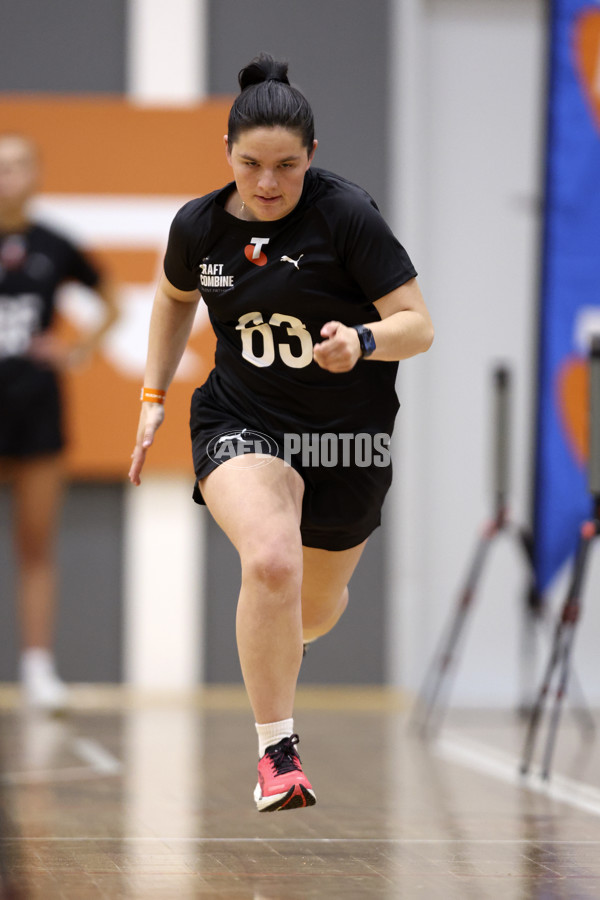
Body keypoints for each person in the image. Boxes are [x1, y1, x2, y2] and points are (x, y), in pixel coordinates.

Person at [129, 53, 433, 812]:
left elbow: (418, 327)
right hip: (243, 415)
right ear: (227, 155)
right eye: (251, 165)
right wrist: (153, 392)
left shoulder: (347, 215)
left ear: (314, 158)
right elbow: (172, 300)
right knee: (269, 560)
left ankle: (285, 643)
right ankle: (277, 754)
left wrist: (361, 341)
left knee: (314, 609)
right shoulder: (199, 225)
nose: (268, 184)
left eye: (287, 168)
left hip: (344, 437)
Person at [0, 134, 119, 712]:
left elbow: (111, 299)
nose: (8, 177)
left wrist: (76, 348)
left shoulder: (54, 245)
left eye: (19, 166)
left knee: (36, 545)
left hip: (36, 409)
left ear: (36, 175)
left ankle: (38, 670)